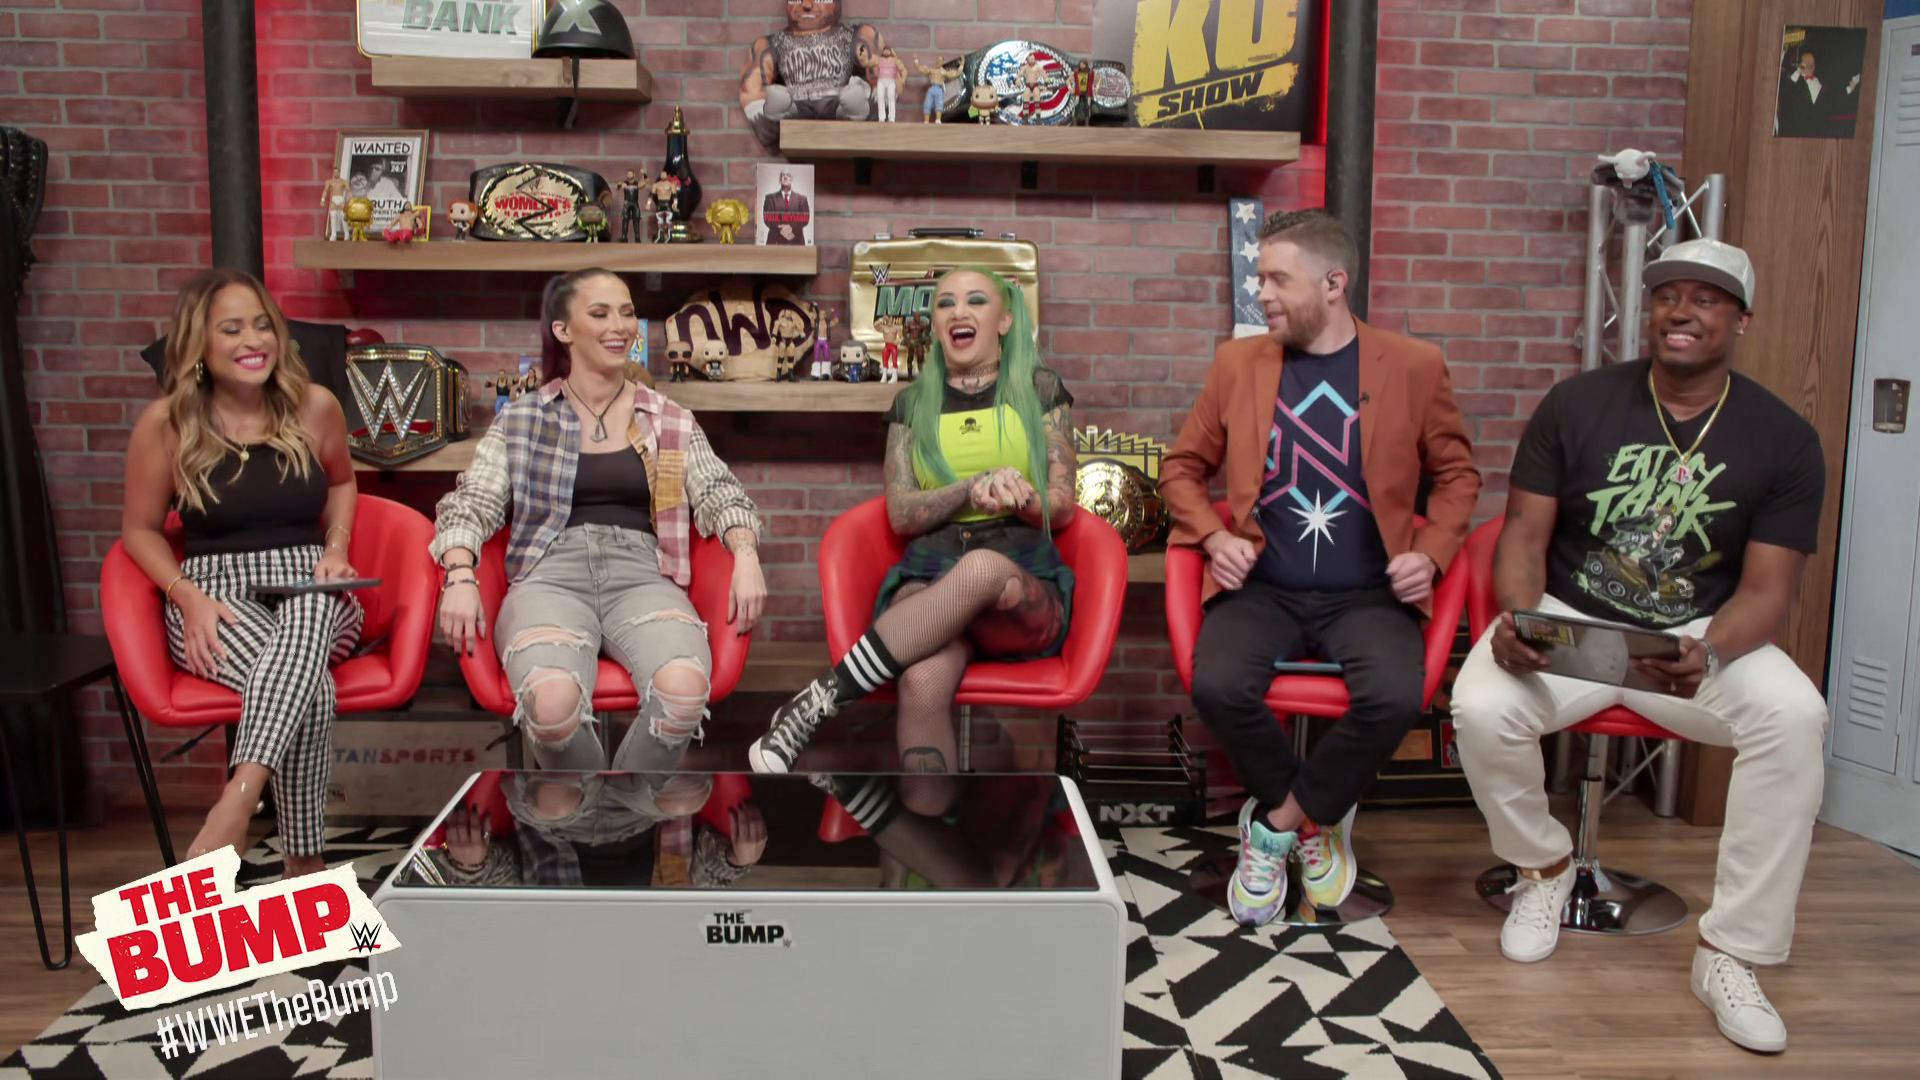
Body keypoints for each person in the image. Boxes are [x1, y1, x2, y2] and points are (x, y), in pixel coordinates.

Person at [1450, 239, 1828, 1055]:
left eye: (1706, 299)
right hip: (1572, 621)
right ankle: (1542, 869)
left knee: (1796, 718)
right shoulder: (1577, 404)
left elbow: (1768, 590)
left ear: (1741, 319)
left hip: (1696, 639)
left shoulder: (1784, 439)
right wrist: (1521, 620)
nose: (1680, 312)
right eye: (1666, 296)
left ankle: (1732, 953)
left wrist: (1710, 652)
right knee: (1479, 706)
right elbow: (1523, 535)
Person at [1160, 209, 1479, 925]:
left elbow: (1459, 476)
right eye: (1259, 279)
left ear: (1333, 284)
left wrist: (1430, 554)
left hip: (1367, 594)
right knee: (1217, 685)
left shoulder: (1414, 366)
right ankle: (1311, 821)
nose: (1262, 294)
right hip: (1262, 589)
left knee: (1395, 696)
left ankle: (1280, 827)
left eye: (1278, 280)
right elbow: (1182, 469)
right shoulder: (1238, 364)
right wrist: (1213, 537)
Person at [747, 268, 1078, 816]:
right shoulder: (911, 404)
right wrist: (970, 487)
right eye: (945, 303)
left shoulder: (1041, 390)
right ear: (935, 323)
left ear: (1004, 320)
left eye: (976, 301)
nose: (959, 312)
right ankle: (930, 840)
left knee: (981, 568)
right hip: (932, 576)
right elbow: (901, 513)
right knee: (921, 680)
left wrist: (1018, 495)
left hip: (1018, 591)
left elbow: (1063, 503)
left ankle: (818, 701)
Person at [432, 268, 768, 776]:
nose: (619, 326)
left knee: (683, 692)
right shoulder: (524, 419)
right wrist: (459, 575)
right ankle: (607, 817)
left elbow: (720, 492)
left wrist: (744, 553)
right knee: (551, 705)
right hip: (549, 574)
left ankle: (605, 815)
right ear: (563, 330)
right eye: (600, 313)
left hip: (642, 574)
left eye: (627, 313)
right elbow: (471, 503)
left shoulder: (668, 419)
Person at [119, 269, 363, 878]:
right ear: (198, 344)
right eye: (231, 329)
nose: (253, 341)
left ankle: (238, 797)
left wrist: (335, 547)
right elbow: (140, 530)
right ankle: (304, 863)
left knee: (316, 599)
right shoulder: (165, 424)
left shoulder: (315, 405)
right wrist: (186, 597)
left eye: (262, 325)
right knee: (311, 688)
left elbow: (341, 481)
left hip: (311, 581)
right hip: (213, 593)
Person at [437, 773, 766, 889]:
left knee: (555, 800)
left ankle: (565, 722)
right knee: (686, 797)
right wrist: (738, 860)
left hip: (558, 821)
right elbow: (712, 879)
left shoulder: (544, 928)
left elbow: (496, 882)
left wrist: (470, 866)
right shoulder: (671, 927)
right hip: (643, 815)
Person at [1776, 49, 1861, 137]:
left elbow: (1833, 96)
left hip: (1817, 133)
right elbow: (1788, 87)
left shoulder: (1819, 82)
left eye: (1812, 63)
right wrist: (1798, 71)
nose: (1810, 65)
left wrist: (1849, 88)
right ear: (1800, 65)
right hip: (1796, 133)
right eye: (1807, 63)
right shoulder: (1796, 82)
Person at [762, 171, 811, 246]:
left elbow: (805, 219)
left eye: (788, 175)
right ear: (779, 180)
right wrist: (781, 229)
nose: (785, 177)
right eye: (782, 175)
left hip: (796, 240)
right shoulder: (770, 198)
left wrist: (791, 227)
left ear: (791, 179)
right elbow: (767, 218)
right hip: (775, 241)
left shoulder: (802, 199)